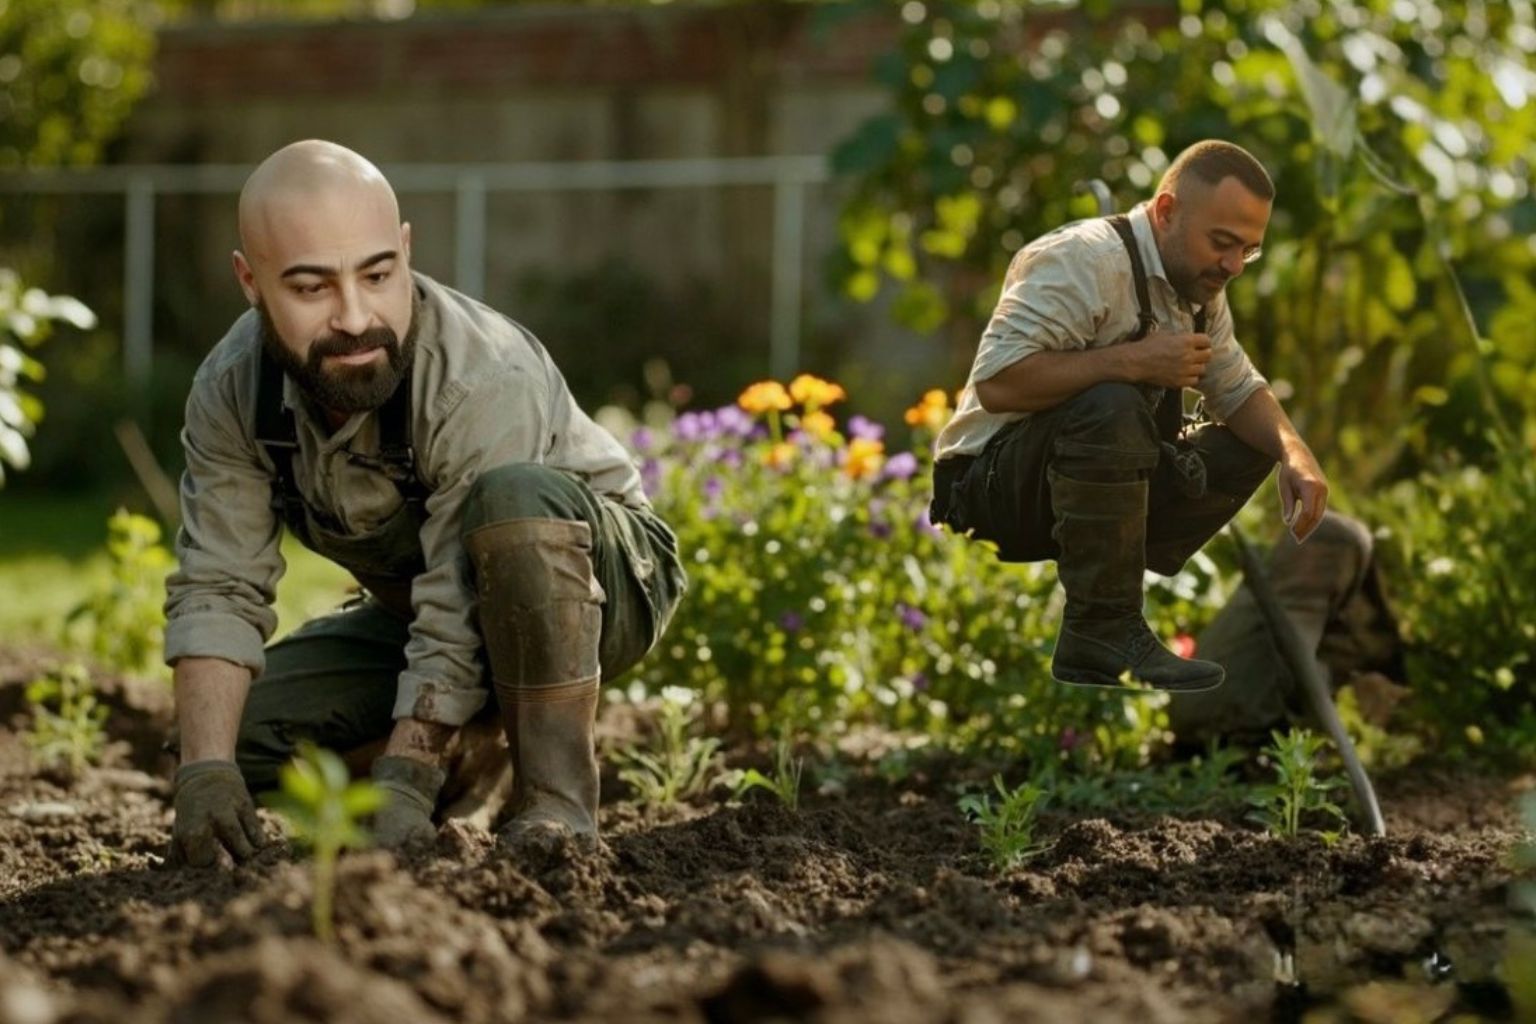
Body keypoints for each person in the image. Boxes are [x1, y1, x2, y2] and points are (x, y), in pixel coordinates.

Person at [163, 140, 686, 867]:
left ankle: (555, 806)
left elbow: (454, 595)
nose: (355, 317)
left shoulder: (478, 376)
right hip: (418, 605)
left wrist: (406, 779)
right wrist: (204, 773)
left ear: (405, 250)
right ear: (251, 282)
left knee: (514, 501)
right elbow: (219, 581)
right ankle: (480, 750)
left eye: (378, 275)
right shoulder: (232, 391)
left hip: (600, 583)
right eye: (312, 289)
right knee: (226, 735)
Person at [930, 139, 1328, 692]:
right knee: (1111, 401)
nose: (1234, 265)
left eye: (1249, 250)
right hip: (988, 490)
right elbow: (997, 384)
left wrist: (1296, 454)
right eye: (1223, 243)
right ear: (1166, 212)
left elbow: (1237, 387)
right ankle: (1102, 627)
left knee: (1254, 438)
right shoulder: (1083, 260)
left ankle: (1116, 557)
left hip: (1076, 482)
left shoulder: (1199, 285)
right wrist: (1135, 360)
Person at [1167, 510, 1408, 746]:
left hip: (1189, 728)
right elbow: (1300, 679)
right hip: (1234, 735)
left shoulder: (1264, 589)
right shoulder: (1292, 605)